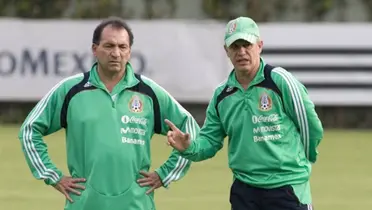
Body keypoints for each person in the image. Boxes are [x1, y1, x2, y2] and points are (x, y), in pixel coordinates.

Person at [18, 17, 200, 210]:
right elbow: (29, 130)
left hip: (136, 204)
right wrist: (53, 176)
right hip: (85, 204)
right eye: (109, 46)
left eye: (122, 47)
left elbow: (190, 129)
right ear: (94, 49)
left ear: (130, 51)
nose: (116, 53)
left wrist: (165, 174)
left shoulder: (148, 92)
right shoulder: (71, 91)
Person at [165, 16, 324, 210]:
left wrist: (302, 165)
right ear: (226, 51)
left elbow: (311, 126)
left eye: (246, 45)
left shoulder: (280, 81)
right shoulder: (222, 95)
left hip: (287, 188)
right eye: (235, 46)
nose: (241, 52)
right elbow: (209, 142)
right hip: (244, 192)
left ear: (259, 45)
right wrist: (189, 146)